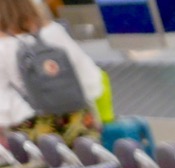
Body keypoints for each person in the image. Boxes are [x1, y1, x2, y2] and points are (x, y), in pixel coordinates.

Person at [0, 0, 102, 145]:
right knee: (90, 157)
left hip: (31, 124)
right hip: (75, 115)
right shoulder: (53, 30)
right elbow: (88, 75)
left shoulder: (3, 45)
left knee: (47, 159)